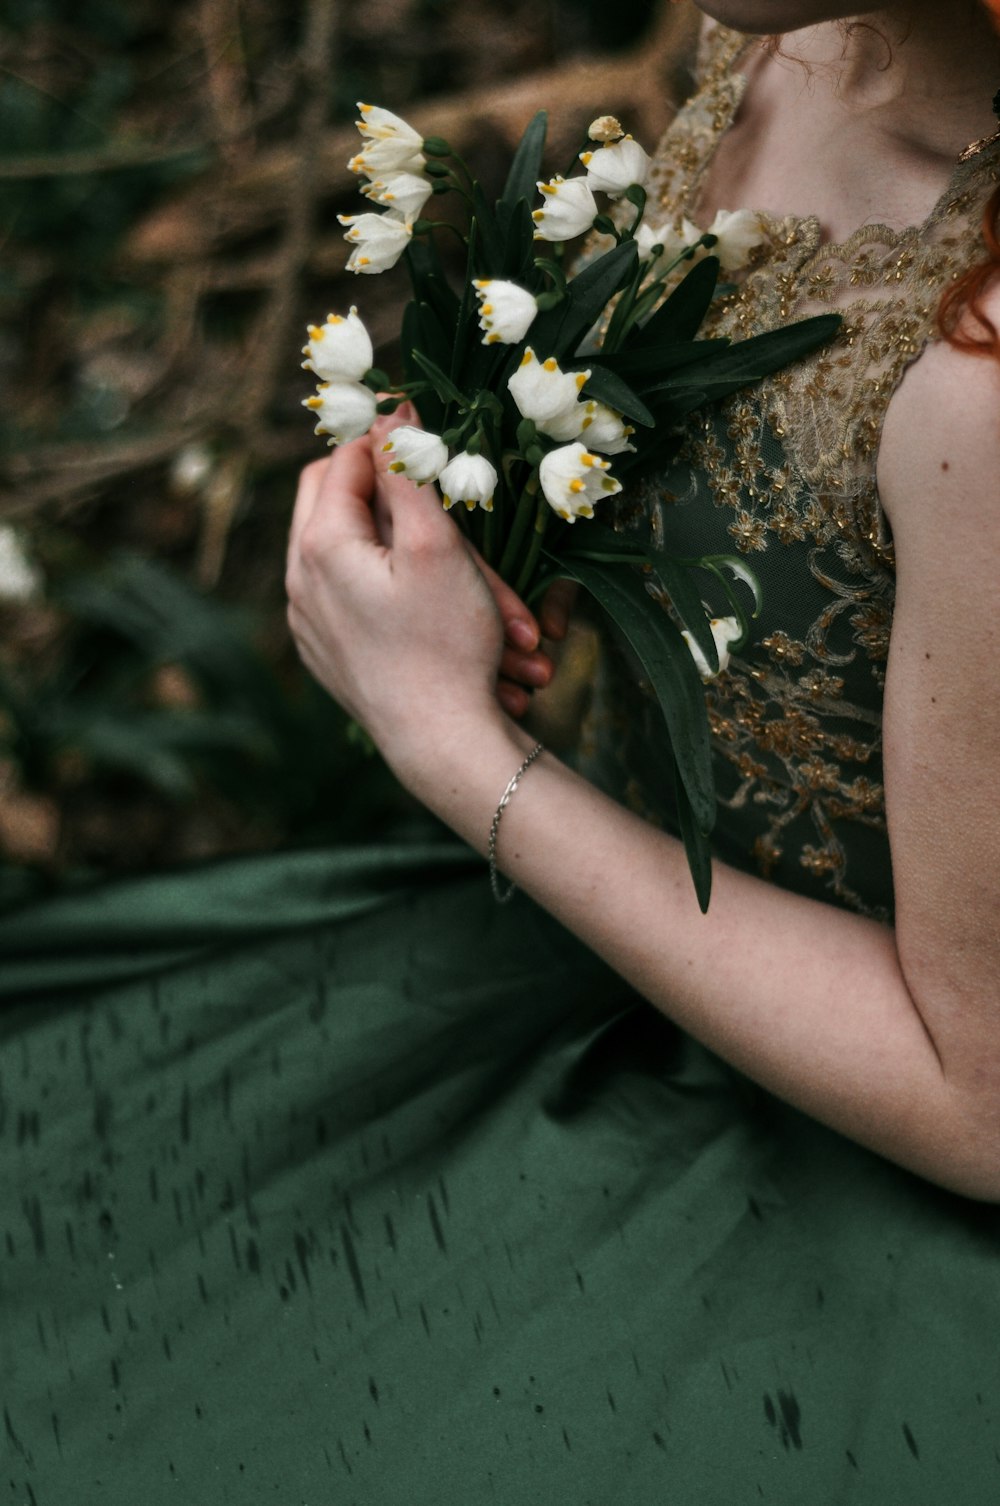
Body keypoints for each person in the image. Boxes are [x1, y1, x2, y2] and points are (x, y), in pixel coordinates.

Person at [3, 2, 999, 1500]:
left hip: (847, 1222)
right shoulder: (805, 37)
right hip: (591, 973)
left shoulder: (979, 370)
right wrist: (509, 521)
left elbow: (978, 1095)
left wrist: (455, 750)